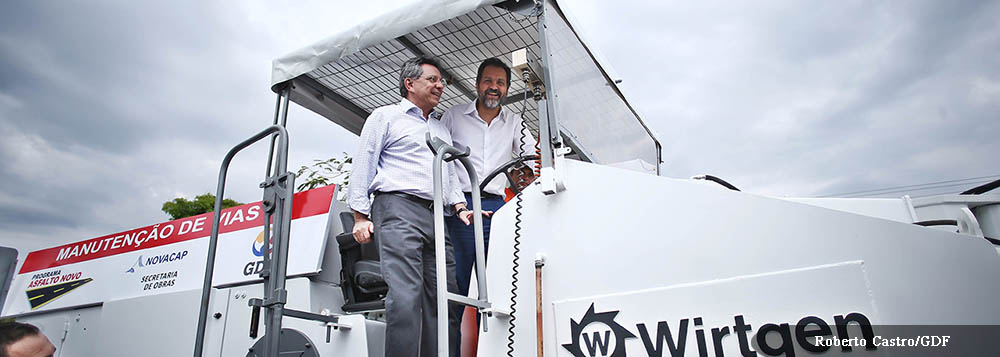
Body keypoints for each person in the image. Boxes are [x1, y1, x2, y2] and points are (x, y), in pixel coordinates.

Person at [347, 56, 476, 357]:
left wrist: (460, 207)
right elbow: (364, 163)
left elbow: (450, 173)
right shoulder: (385, 116)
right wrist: (359, 216)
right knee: (406, 297)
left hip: (436, 217)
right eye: (432, 79)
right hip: (397, 208)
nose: (440, 85)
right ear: (409, 83)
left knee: (447, 298)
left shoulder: (440, 128)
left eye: (441, 81)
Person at [440, 57, 538, 354]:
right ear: (477, 84)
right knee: (456, 288)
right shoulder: (453, 117)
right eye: (488, 81)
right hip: (462, 208)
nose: (493, 88)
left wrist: (527, 175)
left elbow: (533, 160)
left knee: (500, 286)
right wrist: (458, 204)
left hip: (497, 209)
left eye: (500, 83)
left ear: (507, 88)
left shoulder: (515, 123)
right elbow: (439, 164)